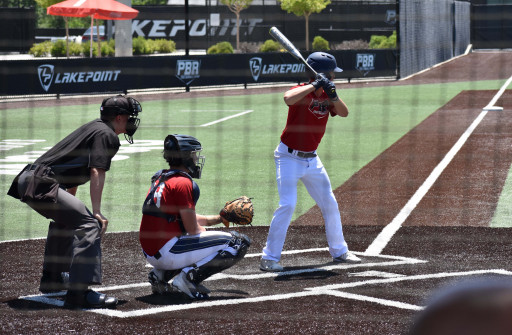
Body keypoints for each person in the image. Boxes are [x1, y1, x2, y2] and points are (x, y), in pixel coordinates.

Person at [7, 95, 142, 308]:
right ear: (118, 117)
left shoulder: (94, 127)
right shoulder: (107, 135)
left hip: (30, 180)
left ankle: (53, 279)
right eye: (129, 117)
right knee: (89, 224)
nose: (132, 121)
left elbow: (72, 171)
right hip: (43, 182)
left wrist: (73, 202)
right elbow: (96, 169)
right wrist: (96, 211)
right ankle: (79, 294)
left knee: (69, 219)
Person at [260, 52, 361, 272]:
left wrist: (333, 95)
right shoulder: (302, 90)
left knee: (329, 202)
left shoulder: (328, 93)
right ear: (324, 72)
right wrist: (314, 83)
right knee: (288, 204)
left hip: (312, 159)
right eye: (332, 73)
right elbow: (288, 98)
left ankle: (340, 251)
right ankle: (269, 258)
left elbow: (344, 113)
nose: (335, 77)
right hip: (287, 157)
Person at [139, 134, 251, 300]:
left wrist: (220, 218)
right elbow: (192, 229)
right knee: (238, 242)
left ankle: (160, 276)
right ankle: (187, 280)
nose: (196, 158)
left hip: (151, 252)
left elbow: (180, 218)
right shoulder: (183, 183)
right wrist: (208, 235)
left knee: (188, 235)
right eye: (194, 154)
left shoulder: (160, 177)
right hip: (168, 251)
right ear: (185, 157)